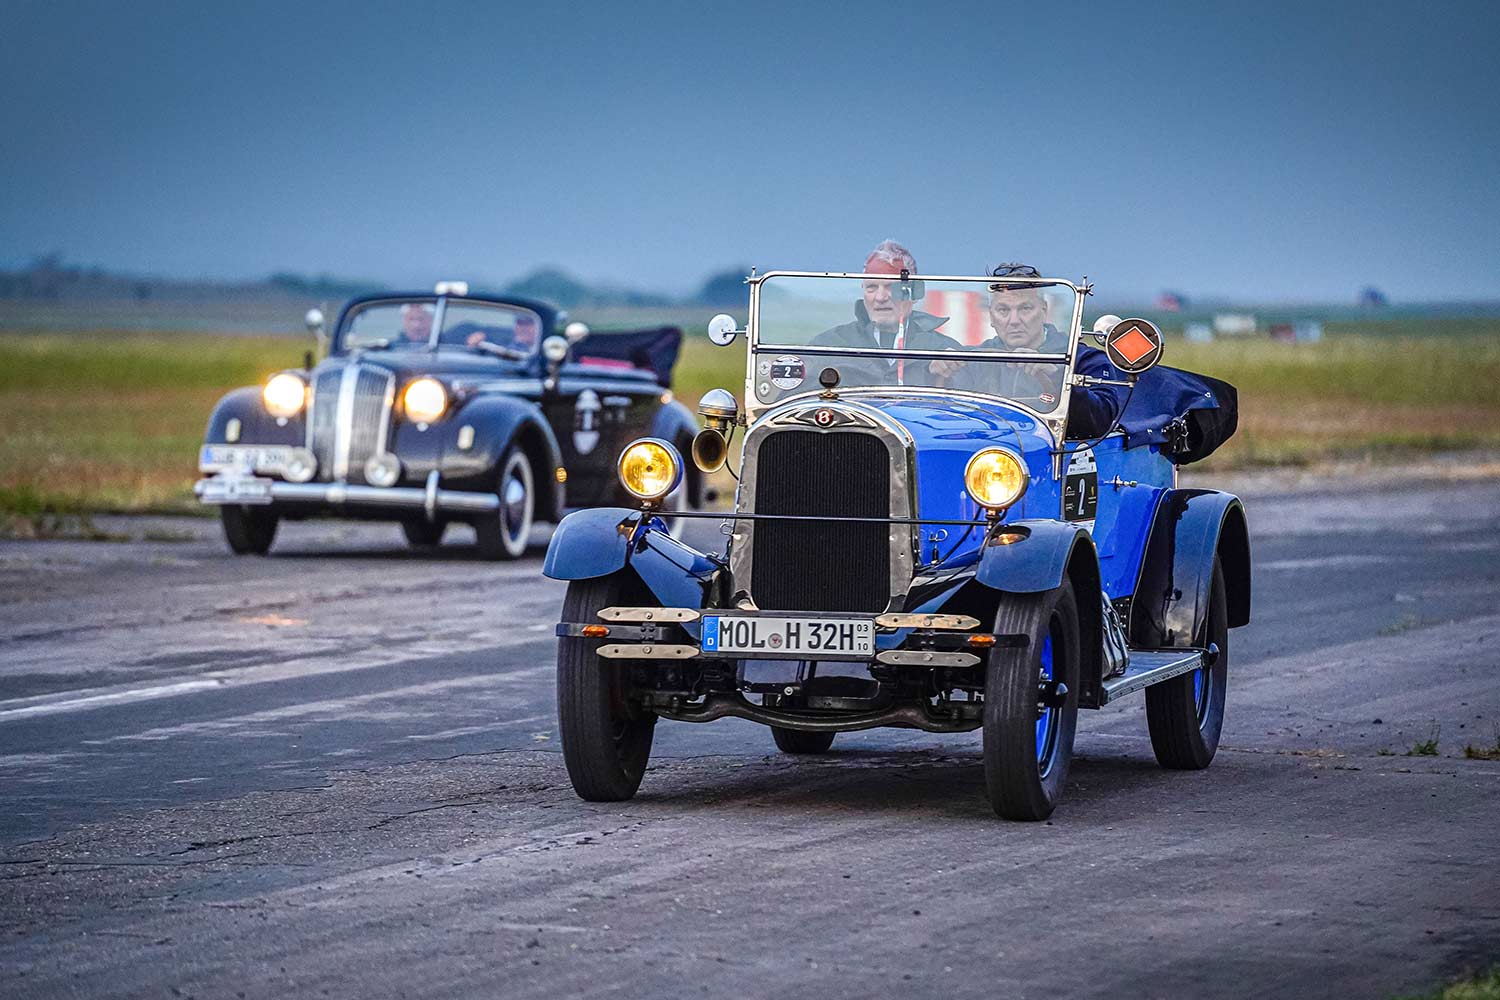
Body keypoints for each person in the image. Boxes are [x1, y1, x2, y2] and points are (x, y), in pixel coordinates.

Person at [951, 263, 1122, 439]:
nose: (1014, 320)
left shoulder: (1085, 359)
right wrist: (935, 371)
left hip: (1057, 456)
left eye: (1025, 308)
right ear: (991, 316)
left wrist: (1058, 378)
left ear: (1044, 310)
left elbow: (1102, 422)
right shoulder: (973, 359)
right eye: (1003, 310)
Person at [810, 240, 960, 387]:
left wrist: (940, 372)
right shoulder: (829, 345)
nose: (880, 297)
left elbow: (967, 397)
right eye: (871, 287)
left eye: (890, 287)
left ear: (913, 293)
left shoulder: (943, 349)